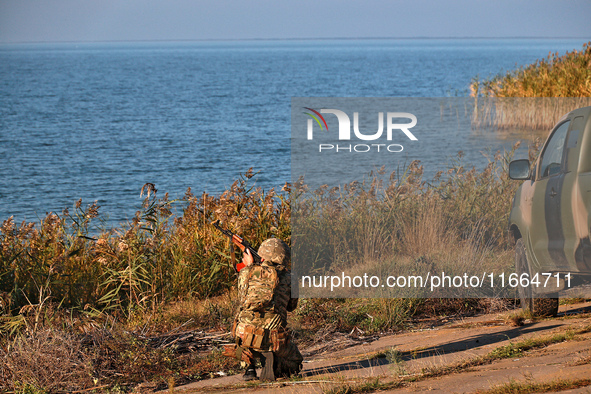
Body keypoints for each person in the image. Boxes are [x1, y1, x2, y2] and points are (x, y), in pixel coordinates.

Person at [223, 238, 303, 381]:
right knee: (295, 364)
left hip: (246, 336)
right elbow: (291, 307)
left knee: (244, 322)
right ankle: (275, 361)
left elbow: (243, 300)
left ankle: (249, 366)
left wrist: (249, 267)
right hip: (275, 338)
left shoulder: (246, 273)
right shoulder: (292, 278)